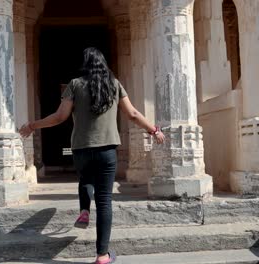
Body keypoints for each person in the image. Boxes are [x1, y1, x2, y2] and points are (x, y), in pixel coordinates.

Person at [19, 47, 165, 264]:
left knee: (85, 179)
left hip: (81, 148)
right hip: (107, 150)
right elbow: (133, 114)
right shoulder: (114, 85)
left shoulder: (75, 84)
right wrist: (154, 130)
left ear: (85, 64)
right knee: (105, 201)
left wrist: (32, 125)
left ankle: (84, 210)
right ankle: (102, 255)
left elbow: (60, 117)